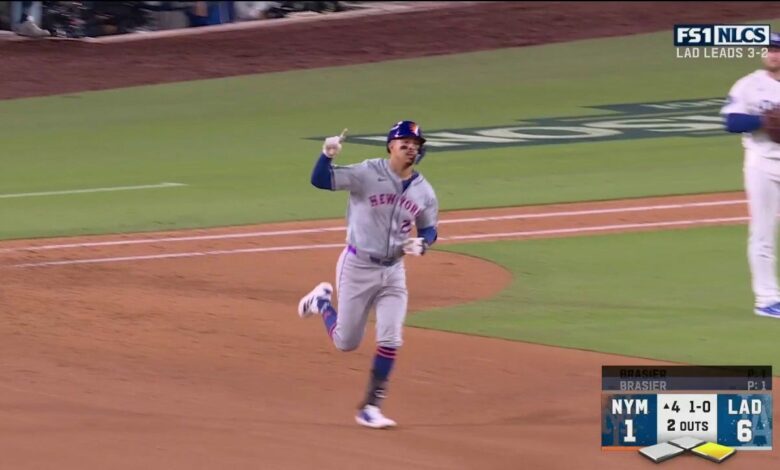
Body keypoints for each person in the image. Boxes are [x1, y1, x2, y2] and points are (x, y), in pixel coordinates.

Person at [296, 121, 440, 428]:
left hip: (394, 272)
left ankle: (370, 407)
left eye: (416, 143)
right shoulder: (367, 173)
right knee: (345, 342)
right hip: (357, 267)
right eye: (405, 141)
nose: (411, 146)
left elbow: (429, 228)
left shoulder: (424, 191)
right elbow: (321, 180)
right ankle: (322, 302)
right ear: (391, 145)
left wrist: (423, 243)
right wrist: (326, 154)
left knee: (390, 337)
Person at [722, 33, 780, 318]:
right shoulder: (749, 85)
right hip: (762, 165)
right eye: (770, 49)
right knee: (762, 233)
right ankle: (767, 300)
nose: (773, 54)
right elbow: (731, 122)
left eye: (778, 50)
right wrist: (764, 120)